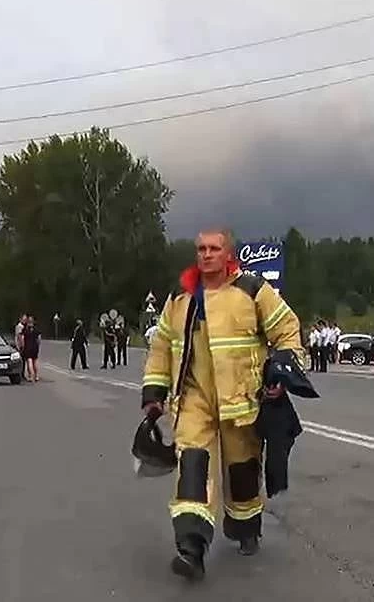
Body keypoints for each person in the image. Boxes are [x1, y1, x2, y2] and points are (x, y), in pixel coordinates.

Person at [141, 227, 305, 581]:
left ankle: (246, 527)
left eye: (214, 248)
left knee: (242, 469)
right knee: (193, 466)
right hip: (194, 398)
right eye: (200, 248)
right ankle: (191, 547)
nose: (206, 254)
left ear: (228, 254)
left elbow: (287, 330)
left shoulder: (252, 290)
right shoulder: (181, 297)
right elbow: (160, 347)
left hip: (241, 400)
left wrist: (281, 371)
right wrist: (154, 392)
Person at [22, 316, 41, 382]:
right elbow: (39, 339)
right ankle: (36, 376)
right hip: (35, 347)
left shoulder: (25, 329)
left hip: (28, 347)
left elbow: (22, 339)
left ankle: (31, 375)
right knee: (35, 361)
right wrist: (37, 345)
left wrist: (23, 346)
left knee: (29, 361)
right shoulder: (36, 329)